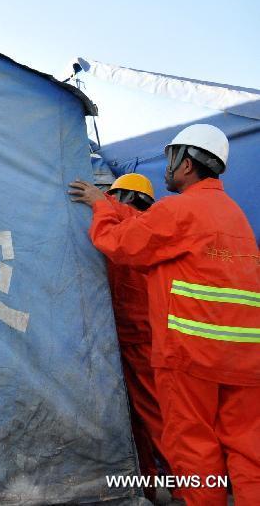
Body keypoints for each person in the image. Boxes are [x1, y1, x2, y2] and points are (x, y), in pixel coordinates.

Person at [68, 124, 260, 506]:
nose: (168, 169)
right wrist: (113, 206)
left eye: (171, 160)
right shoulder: (233, 215)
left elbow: (120, 244)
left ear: (187, 164)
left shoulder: (179, 210)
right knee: (247, 451)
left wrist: (101, 208)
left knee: (193, 449)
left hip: (191, 356)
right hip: (245, 358)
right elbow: (148, 226)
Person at [103, 174, 167, 497]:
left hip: (141, 336)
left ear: (128, 199)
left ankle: (186, 484)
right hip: (125, 337)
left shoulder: (142, 227)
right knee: (136, 420)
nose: (110, 201)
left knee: (155, 414)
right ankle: (149, 487)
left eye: (115, 197)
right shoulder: (125, 226)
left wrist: (99, 203)